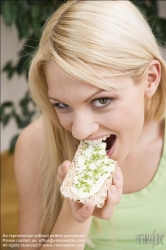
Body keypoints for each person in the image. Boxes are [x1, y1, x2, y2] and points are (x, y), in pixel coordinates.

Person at [14, 1, 166, 249]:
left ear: (150, 79)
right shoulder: (36, 145)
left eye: (101, 100)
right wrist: (77, 213)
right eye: (62, 105)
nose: (79, 131)